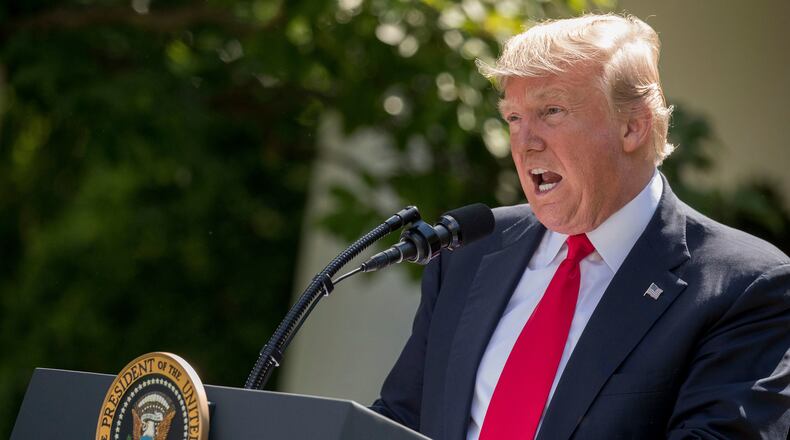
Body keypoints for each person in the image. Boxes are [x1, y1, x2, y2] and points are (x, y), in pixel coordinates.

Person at [371, 13, 790, 440]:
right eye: (514, 117)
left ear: (634, 125)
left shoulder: (745, 286)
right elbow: (399, 418)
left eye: (551, 111)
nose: (524, 141)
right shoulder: (469, 252)